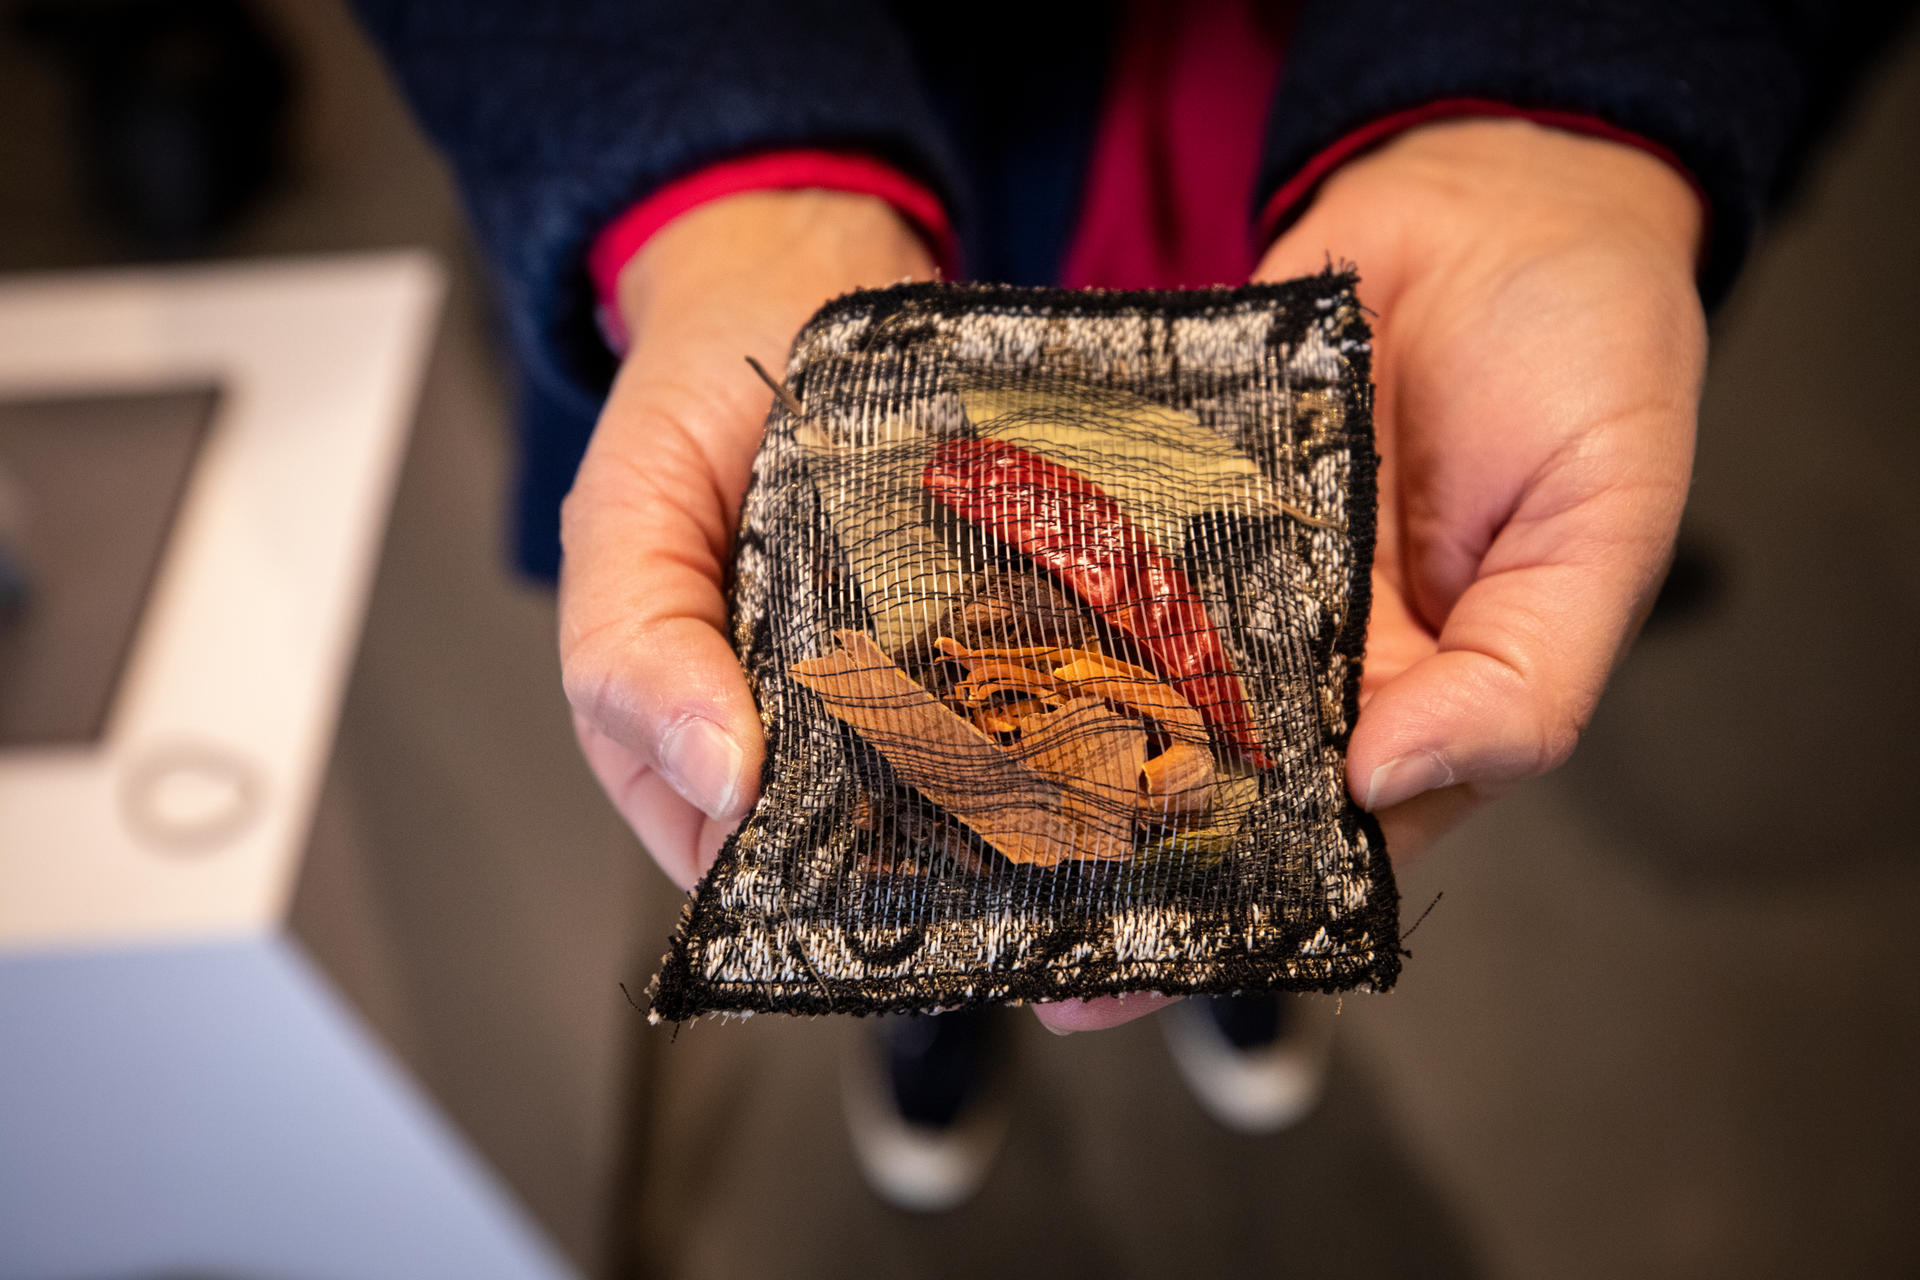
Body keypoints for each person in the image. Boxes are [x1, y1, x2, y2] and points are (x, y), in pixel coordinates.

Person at [352, 0, 1908, 1209]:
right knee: (868, 759)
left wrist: (1552, 94)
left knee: (1258, 703)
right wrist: (716, 156)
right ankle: (934, 1000)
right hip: (882, 182)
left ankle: (1226, 949)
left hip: (1298, 193)